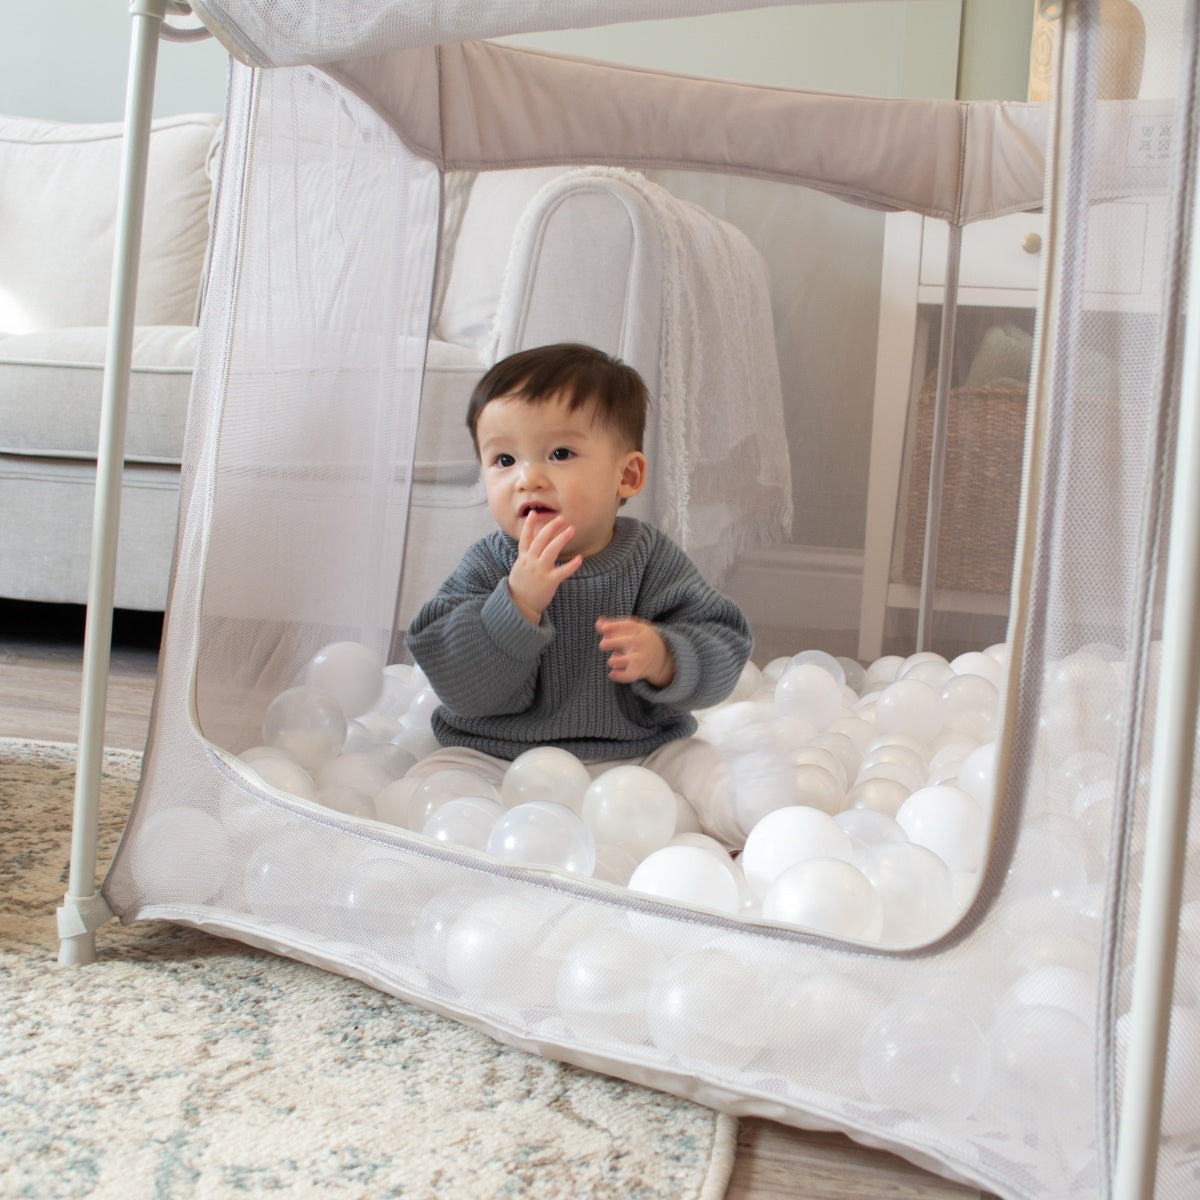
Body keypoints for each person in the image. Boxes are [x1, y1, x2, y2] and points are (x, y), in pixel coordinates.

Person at [404, 342, 752, 846]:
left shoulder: (651, 559)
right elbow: (455, 679)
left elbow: (724, 640)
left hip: (638, 753)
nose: (528, 478)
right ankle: (475, 850)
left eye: (560, 454)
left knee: (702, 769)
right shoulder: (490, 563)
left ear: (626, 476)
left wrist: (666, 657)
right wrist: (516, 604)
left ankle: (753, 819)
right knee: (436, 786)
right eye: (504, 459)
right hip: (498, 754)